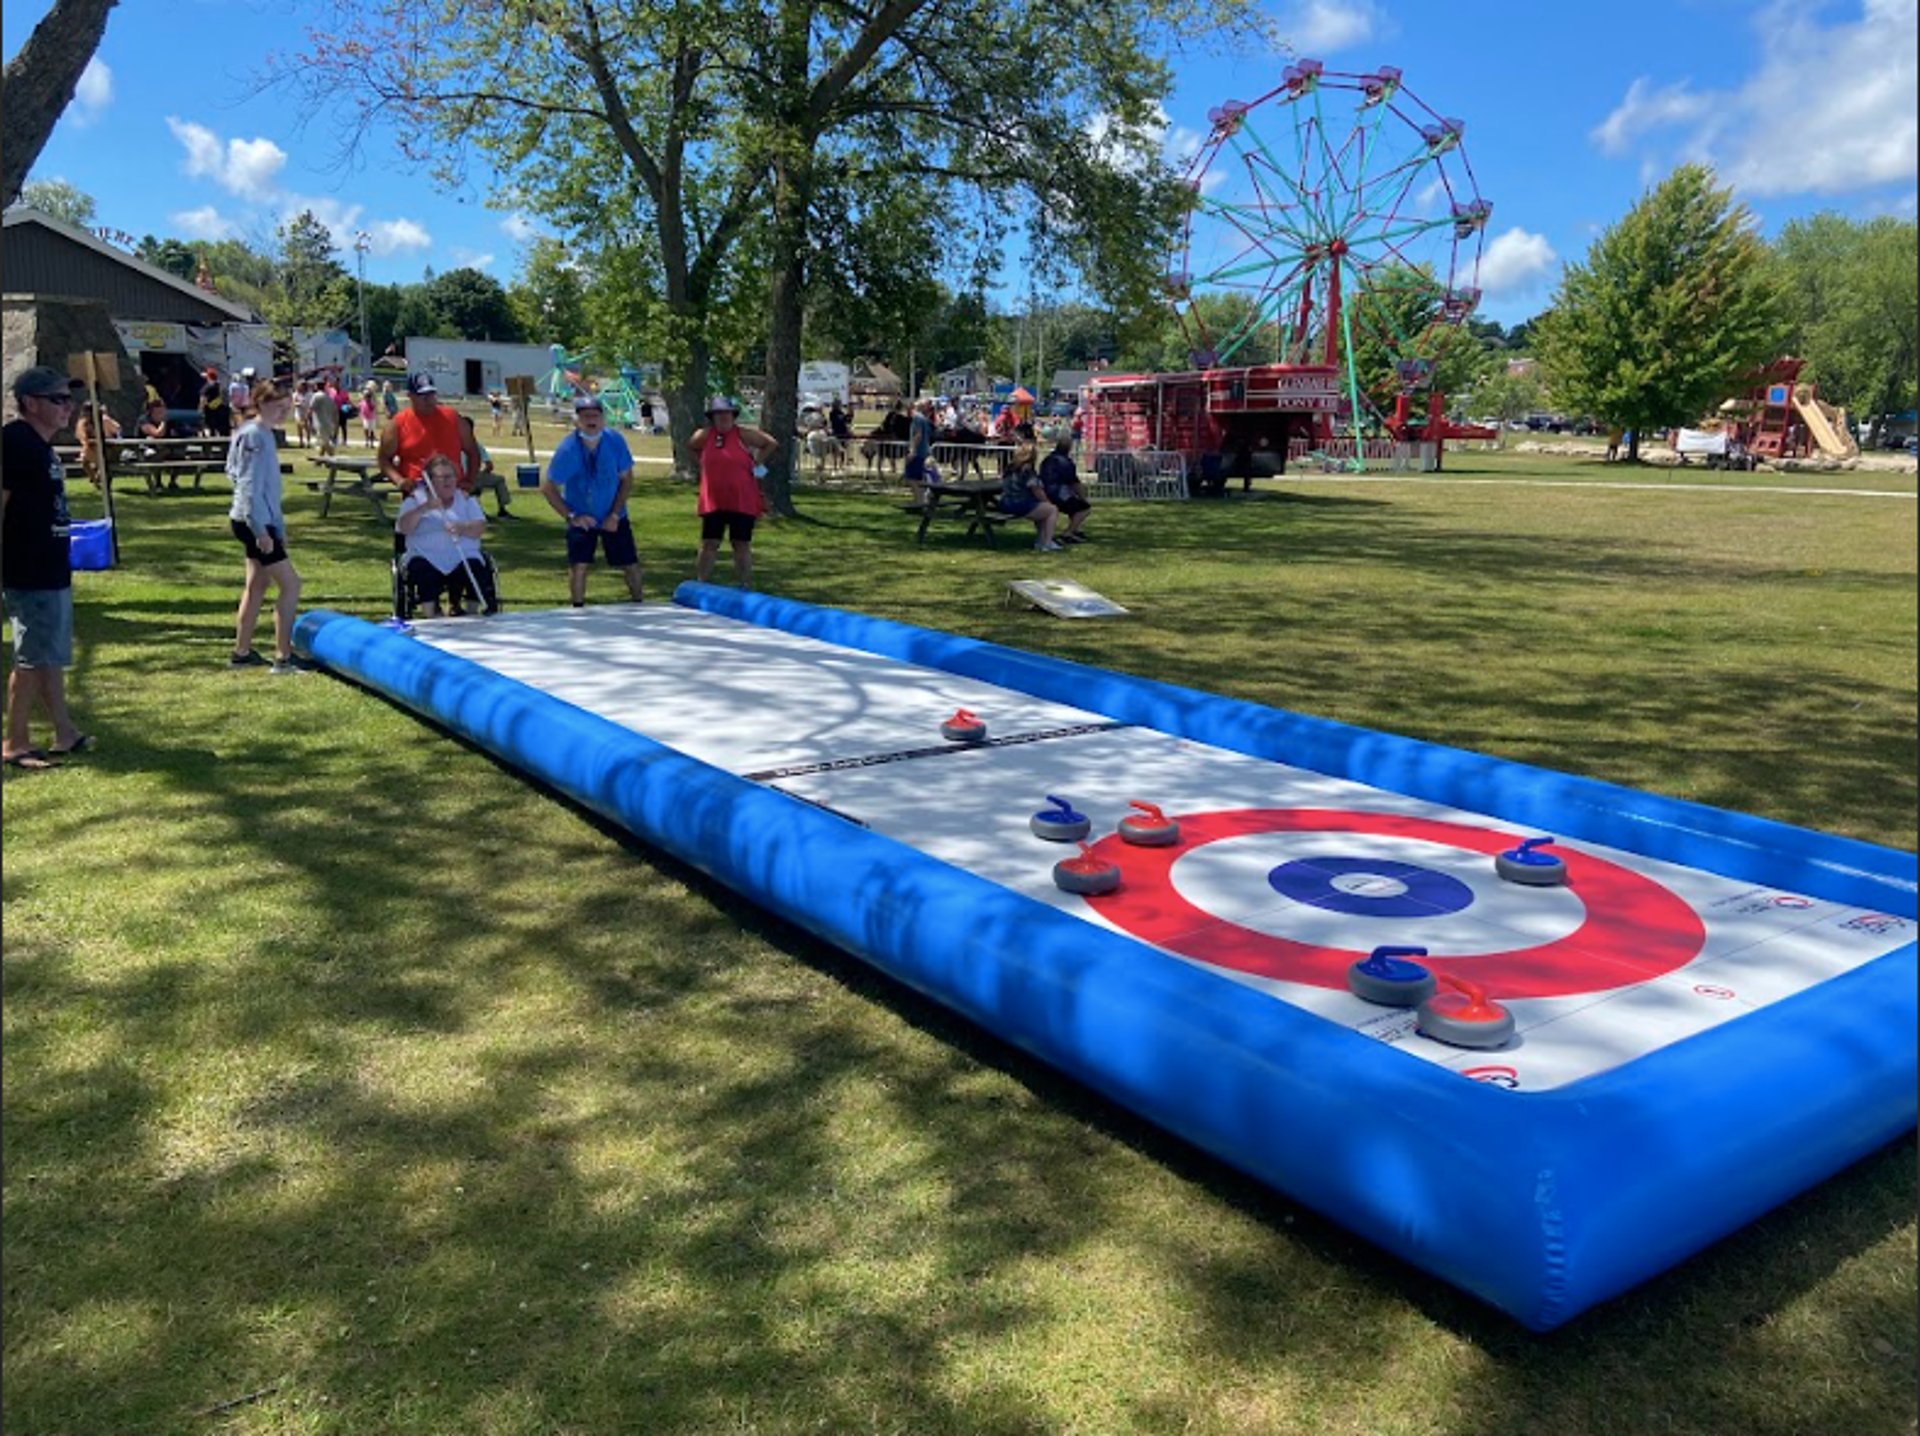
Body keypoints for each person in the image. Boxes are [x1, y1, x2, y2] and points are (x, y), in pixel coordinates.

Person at [3, 367, 89, 768]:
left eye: (69, 399)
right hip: (28, 570)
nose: (68, 407)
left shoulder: (40, 445)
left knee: (49, 655)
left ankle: (64, 732)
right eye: (58, 399)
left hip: (50, 567)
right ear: (31, 403)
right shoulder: (15, 443)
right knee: (32, 660)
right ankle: (15, 742)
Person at [538, 392, 645, 606]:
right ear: (577, 420)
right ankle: (578, 609)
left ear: (603, 419)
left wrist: (615, 514)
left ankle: (639, 604)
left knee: (629, 563)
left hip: (614, 514)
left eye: (595, 415)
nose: (591, 421)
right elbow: (548, 487)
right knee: (579, 565)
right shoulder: (568, 449)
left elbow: (626, 479)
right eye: (585, 416)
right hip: (583, 516)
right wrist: (571, 516)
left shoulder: (615, 441)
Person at [225, 380, 302, 673]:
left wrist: (276, 527)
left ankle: (242, 652)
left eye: (287, 407)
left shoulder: (262, 434)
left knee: (257, 584)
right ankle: (283, 657)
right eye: (277, 406)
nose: (283, 412)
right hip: (253, 521)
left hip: (257, 520)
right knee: (291, 585)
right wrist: (261, 530)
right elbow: (247, 486)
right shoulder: (254, 436)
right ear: (260, 404)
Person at [688, 394, 776, 590]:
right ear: (712, 417)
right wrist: (702, 464)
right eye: (719, 414)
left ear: (733, 415)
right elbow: (691, 446)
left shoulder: (743, 435)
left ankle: (744, 584)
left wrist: (757, 461)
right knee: (709, 542)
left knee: (741, 543)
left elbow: (770, 443)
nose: (723, 417)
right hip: (714, 500)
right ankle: (701, 582)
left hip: (741, 499)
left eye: (727, 413)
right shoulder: (704, 435)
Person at [397, 452, 497, 616]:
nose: (447, 481)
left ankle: (471, 613)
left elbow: (480, 527)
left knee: (475, 566)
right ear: (430, 481)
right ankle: (430, 614)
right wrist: (424, 508)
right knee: (422, 569)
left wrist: (462, 527)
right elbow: (404, 528)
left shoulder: (466, 500)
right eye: (442, 477)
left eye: (451, 476)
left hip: (461, 556)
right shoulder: (415, 500)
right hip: (426, 555)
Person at [378, 372, 481, 497]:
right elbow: (384, 459)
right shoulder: (397, 424)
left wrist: (470, 480)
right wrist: (400, 481)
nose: (428, 400)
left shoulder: (453, 418)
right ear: (410, 396)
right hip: (417, 492)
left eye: (431, 394)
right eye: (422, 395)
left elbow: (473, 451)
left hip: (454, 490)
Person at [999, 440, 1061, 551]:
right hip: (1019, 503)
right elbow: (1037, 490)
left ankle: (1041, 540)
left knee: (1042, 509)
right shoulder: (1028, 471)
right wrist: (1048, 502)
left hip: (1005, 502)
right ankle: (1047, 543)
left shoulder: (1009, 468)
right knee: (1052, 510)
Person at [455, 412, 515, 518]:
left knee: (498, 479)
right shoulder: (465, 445)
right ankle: (501, 510)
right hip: (459, 479)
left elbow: (489, 465)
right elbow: (489, 466)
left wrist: (479, 475)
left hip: (468, 477)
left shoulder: (475, 445)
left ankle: (501, 511)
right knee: (498, 480)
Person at [1038, 436, 1093, 543]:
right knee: (1084, 509)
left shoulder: (1047, 460)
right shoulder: (1066, 462)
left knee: (1074, 508)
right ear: (1069, 449)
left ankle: (1075, 530)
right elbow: (1074, 483)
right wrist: (1084, 498)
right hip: (1058, 494)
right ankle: (1068, 533)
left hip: (1045, 493)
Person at [904, 396, 935, 507]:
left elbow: (918, 435)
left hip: (918, 452)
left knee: (911, 479)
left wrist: (912, 451)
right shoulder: (923, 419)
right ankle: (920, 500)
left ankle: (919, 501)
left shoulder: (917, 418)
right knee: (918, 479)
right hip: (923, 452)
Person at [199, 368, 232, 438]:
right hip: (217, 408)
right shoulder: (219, 386)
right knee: (215, 426)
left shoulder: (207, 387)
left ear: (208, 377)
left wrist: (200, 408)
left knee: (207, 426)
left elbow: (203, 398)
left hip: (208, 409)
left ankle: (208, 440)